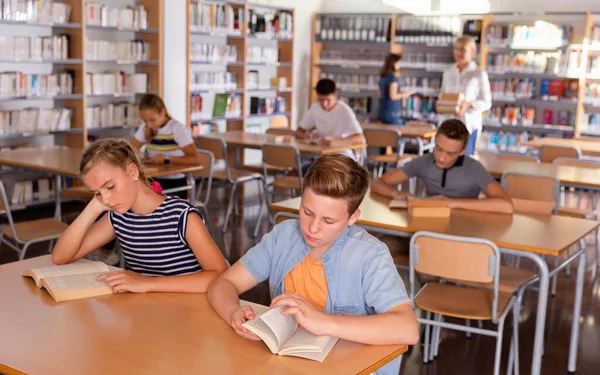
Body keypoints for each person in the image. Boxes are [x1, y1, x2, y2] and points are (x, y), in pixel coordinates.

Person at [208, 154, 419, 375]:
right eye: (307, 212)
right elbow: (223, 284)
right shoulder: (283, 235)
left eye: (328, 220)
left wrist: (324, 322)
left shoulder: (371, 255)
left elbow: (408, 328)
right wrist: (233, 311)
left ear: (353, 217)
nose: (312, 228)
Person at [52, 139, 228, 293]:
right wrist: (93, 207)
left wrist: (148, 283)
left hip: (190, 312)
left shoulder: (182, 216)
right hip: (149, 312)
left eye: (110, 187)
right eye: (97, 192)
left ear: (132, 172)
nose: (105, 198)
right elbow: (61, 257)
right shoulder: (118, 218)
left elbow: (220, 275)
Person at [371, 119, 513, 214]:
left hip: (465, 228)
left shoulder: (474, 168)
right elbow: (378, 183)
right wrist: (396, 194)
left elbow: (506, 206)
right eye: (438, 149)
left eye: (451, 153)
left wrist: (451, 202)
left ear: (463, 151)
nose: (441, 158)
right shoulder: (424, 162)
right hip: (429, 226)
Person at [130, 93, 201, 200]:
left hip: (174, 182)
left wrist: (166, 159)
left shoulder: (176, 128)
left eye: (152, 120)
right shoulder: (146, 128)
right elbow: (130, 148)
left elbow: (195, 159)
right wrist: (137, 155)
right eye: (145, 121)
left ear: (162, 112)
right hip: (153, 179)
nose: (148, 125)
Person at [440, 35, 492, 155]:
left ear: (472, 51)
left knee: (464, 162)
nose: (458, 53)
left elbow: (487, 102)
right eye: (456, 49)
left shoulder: (479, 73)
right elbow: (442, 95)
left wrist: (468, 105)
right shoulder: (448, 72)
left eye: (462, 50)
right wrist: (442, 106)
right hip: (449, 124)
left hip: (469, 125)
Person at [296, 78, 364, 162]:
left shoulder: (344, 111)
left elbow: (359, 138)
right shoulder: (314, 108)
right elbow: (299, 131)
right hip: (321, 156)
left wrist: (335, 140)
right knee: (298, 170)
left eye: (328, 100)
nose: (324, 104)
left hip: (341, 156)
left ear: (335, 95)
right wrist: (306, 137)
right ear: (316, 95)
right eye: (321, 100)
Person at [378, 53, 414, 125]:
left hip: (383, 111)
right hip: (391, 112)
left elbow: (380, 95)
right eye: (399, 63)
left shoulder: (383, 77)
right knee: (397, 133)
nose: (400, 65)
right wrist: (406, 94)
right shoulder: (393, 78)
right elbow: (393, 96)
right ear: (394, 63)